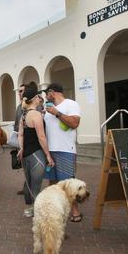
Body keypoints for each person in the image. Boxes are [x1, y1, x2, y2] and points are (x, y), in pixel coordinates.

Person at [43, 83, 82, 222]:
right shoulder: (48, 109)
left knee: (67, 183)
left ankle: (75, 211)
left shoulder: (70, 104)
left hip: (65, 150)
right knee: (52, 183)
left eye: (46, 93)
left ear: (52, 92)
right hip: (50, 151)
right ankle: (53, 210)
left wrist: (57, 113)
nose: (45, 96)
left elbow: (75, 123)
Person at [17, 82, 54, 217]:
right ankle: (36, 210)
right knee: (36, 183)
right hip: (36, 154)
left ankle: (28, 208)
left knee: (28, 182)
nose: (40, 99)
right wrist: (48, 155)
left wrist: (21, 148)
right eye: (39, 97)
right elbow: (42, 137)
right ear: (35, 99)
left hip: (26, 153)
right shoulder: (36, 115)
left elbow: (20, 134)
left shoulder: (24, 115)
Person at [12, 84, 26, 195]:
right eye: (19, 91)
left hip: (30, 141)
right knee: (25, 166)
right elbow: (16, 125)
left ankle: (30, 189)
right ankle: (27, 186)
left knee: (30, 166)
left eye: (21, 91)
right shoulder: (18, 107)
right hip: (21, 141)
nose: (19, 93)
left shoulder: (35, 106)